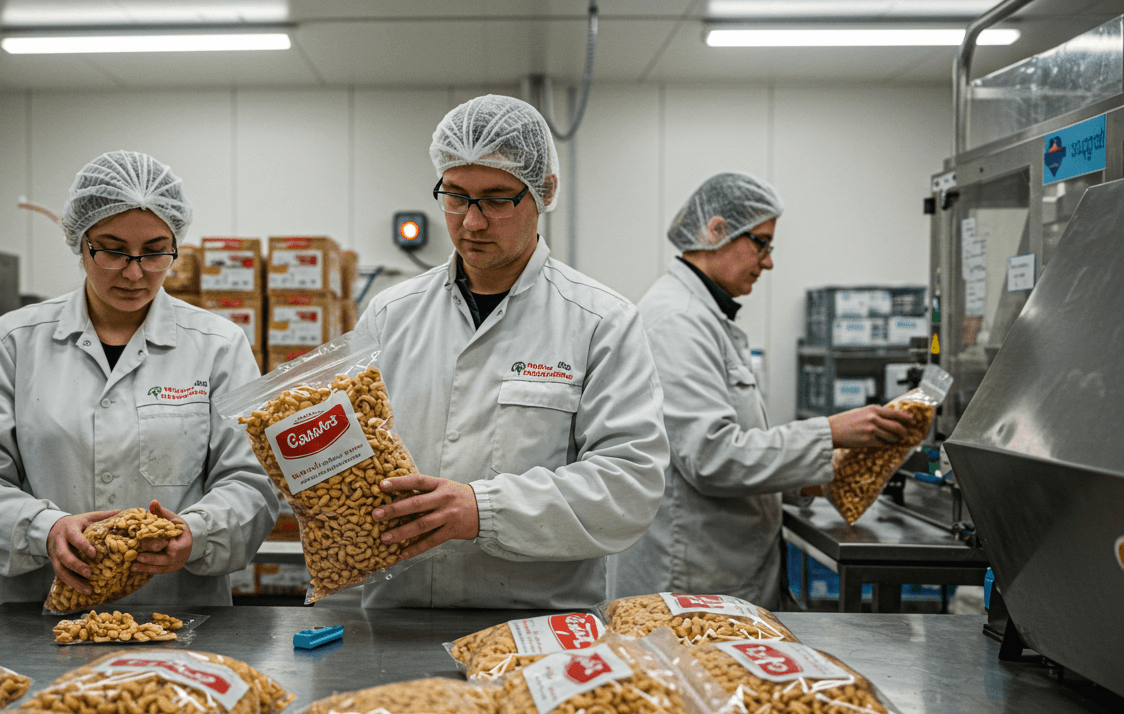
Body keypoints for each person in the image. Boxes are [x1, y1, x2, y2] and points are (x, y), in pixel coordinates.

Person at [354, 94, 670, 609]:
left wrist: (484, 508)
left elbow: (628, 486)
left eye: (497, 199)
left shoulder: (599, 321)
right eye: (455, 196)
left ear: (545, 192)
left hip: (540, 626)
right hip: (397, 615)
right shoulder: (390, 314)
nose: (471, 223)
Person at [0, 150, 277, 606]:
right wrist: (46, 530)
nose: (135, 273)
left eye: (155, 252)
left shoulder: (218, 344)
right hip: (40, 618)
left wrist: (195, 533)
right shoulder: (15, 341)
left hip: (180, 613)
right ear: (79, 240)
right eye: (113, 251)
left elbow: (251, 482)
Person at [611, 171, 915, 609]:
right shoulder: (676, 321)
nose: (769, 261)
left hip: (719, 568)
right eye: (762, 243)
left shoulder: (703, 316)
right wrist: (829, 432)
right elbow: (712, 457)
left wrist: (816, 476)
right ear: (716, 230)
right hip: (692, 579)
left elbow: (728, 449)